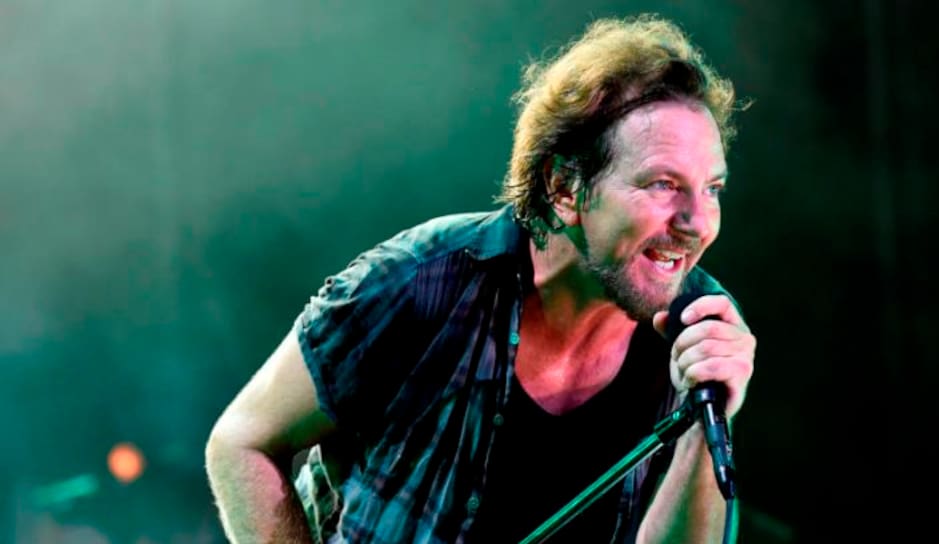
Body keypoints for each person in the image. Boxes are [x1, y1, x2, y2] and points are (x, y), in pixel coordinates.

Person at [205, 14, 756, 544]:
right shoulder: (422, 279)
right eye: (663, 184)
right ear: (564, 188)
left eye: (712, 189)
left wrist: (704, 427)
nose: (697, 222)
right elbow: (242, 444)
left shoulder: (699, 330)